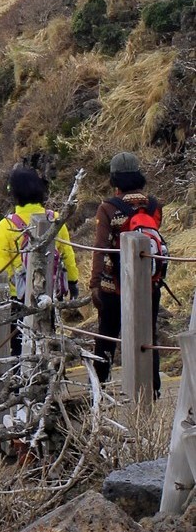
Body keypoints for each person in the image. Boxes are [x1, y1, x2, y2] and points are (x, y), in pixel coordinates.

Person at [90, 152, 166, 393]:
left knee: (107, 337)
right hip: (148, 284)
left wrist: (95, 283)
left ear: (114, 179)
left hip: (114, 285)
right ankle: (152, 391)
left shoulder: (108, 208)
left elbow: (100, 248)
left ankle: (98, 391)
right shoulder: (154, 205)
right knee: (148, 338)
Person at [0, 164, 81, 305]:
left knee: (21, 328)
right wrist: (73, 281)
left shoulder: (6, 226)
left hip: (20, 297)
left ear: (14, 194)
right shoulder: (55, 218)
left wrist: (7, 295)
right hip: (52, 293)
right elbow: (67, 253)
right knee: (50, 327)